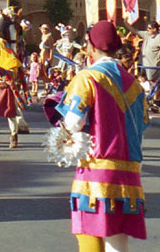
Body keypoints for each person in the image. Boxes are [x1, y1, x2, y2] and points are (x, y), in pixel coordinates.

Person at [54, 20, 149, 251]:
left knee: (88, 230)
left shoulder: (87, 78)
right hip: (129, 169)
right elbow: (144, 123)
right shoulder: (133, 83)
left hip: (97, 167)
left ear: (92, 46)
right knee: (117, 237)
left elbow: (74, 122)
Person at [126, 20, 160, 89]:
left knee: (153, 83)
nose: (147, 29)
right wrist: (126, 23)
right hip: (143, 64)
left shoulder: (159, 38)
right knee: (142, 82)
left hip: (153, 66)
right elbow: (135, 31)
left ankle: (154, 99)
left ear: (155, 29)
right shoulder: (146, 35)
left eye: (149, 28)